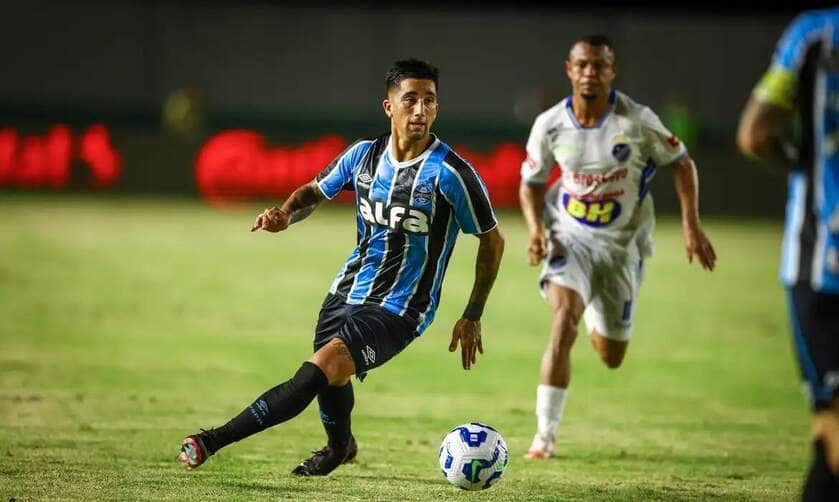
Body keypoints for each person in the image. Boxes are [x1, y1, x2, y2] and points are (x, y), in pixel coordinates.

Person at [177, 58, 505, 476]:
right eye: (410, 100)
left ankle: (211, 441)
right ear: (389, 107)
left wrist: (472, 313)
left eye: (429, 100)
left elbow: (492, 240)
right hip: (346, 291)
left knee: (323, 367)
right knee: (332, 376)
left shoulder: (451, 173)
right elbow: (314, 191)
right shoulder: (363, 156)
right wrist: (285, 214)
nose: (420, 110)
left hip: (401, 308)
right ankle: (340, 447)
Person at [518, 35, 716, 459]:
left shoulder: (638, 121)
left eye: (599, 65)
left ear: (612, 71)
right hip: (570, 238)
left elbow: (682, 163)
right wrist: (536, 231)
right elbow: (531, 184)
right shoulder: (549, 125)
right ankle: (544, 437)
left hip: (623, 247)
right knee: (562, 323)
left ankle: (594, 302)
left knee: (611, 356)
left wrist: (691, 226)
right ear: (569, 70)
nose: (590, 72)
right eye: (582, 65)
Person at [736, 9, 839, 500]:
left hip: (822, 259)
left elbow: (755, 135)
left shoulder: (814, 36)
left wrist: (802, 166)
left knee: (831, 424)